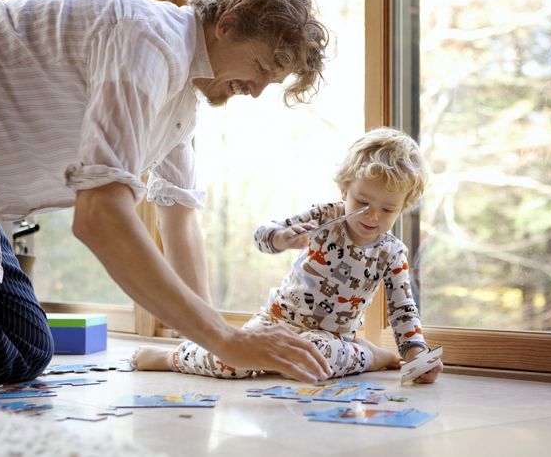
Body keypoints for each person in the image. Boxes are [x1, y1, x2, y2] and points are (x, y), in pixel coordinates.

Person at [0, 0, 334, 389]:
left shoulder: (180, 107)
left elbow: (179, 218)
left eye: (272, 81)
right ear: (226, 25)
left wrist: (212, 345)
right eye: (261, 67)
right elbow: (99, 215)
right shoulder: (149, 38)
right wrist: (225, 338)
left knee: (23, 344)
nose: (258, 90)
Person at [132, 128, 444, 383]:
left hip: (329, 338)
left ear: (403, 207)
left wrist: (416, 354)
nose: (373, 216)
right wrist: (281, 238)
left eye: (387, 209)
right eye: (363, 202)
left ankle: (370, 356)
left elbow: (403, 310)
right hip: (275, 321)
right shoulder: (324, 216)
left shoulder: (391, 252)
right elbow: (262, 237)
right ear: (345, 189)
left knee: (316, 358)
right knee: (232, 362)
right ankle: (172, 357)